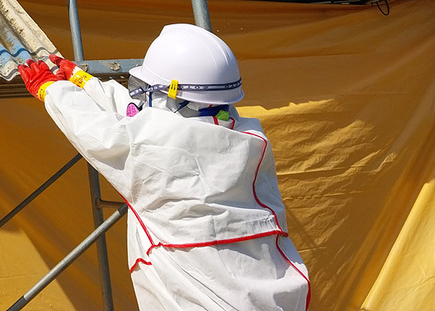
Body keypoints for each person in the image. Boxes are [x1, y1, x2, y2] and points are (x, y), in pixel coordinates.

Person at [17, 23, 310, 311]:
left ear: (172, 94)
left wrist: (53, 91)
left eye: (145, 88)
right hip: (272, 295)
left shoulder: (154, 149)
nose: (139, 95)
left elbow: (101, 133)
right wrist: (86, 83)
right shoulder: (248, 138)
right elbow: (148, 119)